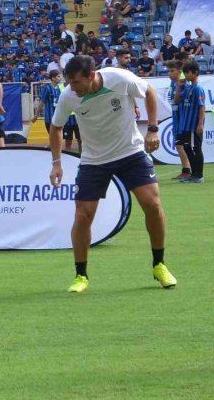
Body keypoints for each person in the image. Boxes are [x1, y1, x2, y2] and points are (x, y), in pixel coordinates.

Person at [49, 55, 177, 293]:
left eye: (76, 82)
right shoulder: (69, 95)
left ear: (91, 76)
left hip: (131, 152)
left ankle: (159, 264)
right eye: (69, 82)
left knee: (152, 204)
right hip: (94, 160)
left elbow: (149, 91)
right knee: (83, 215)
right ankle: (81, 276)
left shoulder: (119, 79)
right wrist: (56, 163)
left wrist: (152, 129)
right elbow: (56, 127)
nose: (72, 87)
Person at [176, 61, 205, 183]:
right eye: (184, 72)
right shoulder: (188, 88)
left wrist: (200, 124)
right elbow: (177, 99)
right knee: (187, 148)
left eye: (187, 72)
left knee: (195, 148)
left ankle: (198, 175)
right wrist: (179, 86)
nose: (185, 75)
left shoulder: (198, 89)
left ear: (195, 73)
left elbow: (202, 106)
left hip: (194, 125)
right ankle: (194, 174)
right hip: (186, 125)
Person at [165, 60, 192, 180]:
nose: (169, 74)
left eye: (172, 71)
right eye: (168, 71)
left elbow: (180, 101)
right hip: (176, 118)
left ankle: (188, 170)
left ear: (180, 71)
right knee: (179, 145)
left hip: (183, 119)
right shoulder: (172, 84)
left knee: (181, 145)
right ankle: (186, 170)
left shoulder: (183, 84)